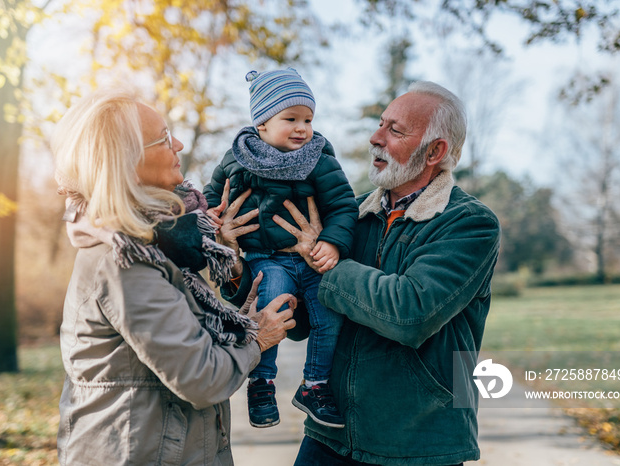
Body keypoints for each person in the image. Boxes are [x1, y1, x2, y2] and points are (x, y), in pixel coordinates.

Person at [223, 81, 501, 465]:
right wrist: (236, 264)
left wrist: (327, 265)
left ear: (435, 151)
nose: (376, 138)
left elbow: (411, 313)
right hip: (329, 434)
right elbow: (301, 322)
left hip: (418, 444)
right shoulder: (349, 217)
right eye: (380, 124)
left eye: (395, 130)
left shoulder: (469, 223)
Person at [52, 88, 297, 465]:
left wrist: (239, 322)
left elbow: (185, 343)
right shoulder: (125, 261)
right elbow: (202, 378)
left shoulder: (153, 244)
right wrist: (257, 339)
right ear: (128, 161)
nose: (179, 144)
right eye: (165, 138)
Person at [203, 68, 359, 429]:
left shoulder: (319, 159)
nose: (303, 128)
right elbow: (212, 199)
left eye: (308, 119)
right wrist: (210, 215)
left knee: (329, 312)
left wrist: (333, 243)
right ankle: (262, 382)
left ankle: (315, 385)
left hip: (311, 260)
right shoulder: (237, 158)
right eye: (290, 118)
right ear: (261, 124)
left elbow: (342, 206)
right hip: (266, 258)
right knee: (271, 302)